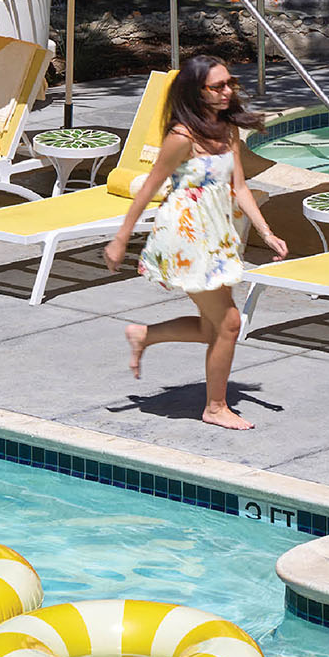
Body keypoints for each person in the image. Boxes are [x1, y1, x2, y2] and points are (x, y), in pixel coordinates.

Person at [103, 56, 288, 430]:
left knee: (213, 327)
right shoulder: (182, 137)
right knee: (230, 323)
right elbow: (151, 187)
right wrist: (121, 238)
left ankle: (145, 335)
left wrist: (266, 231)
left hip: (216, 236)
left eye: (229, 83)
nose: (227, 92)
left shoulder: (228, 130)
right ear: (195, 92)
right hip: (184, 237)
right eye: (217, 87)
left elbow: (239, 187)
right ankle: (215, 407)